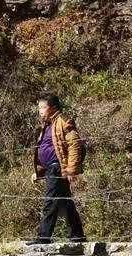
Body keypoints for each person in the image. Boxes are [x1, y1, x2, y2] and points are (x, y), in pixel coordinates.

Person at [29, 92, 86, 244]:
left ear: (53, 108)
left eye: (43, 107)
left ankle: (43, 237)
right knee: (65, 202)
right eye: (39, 107)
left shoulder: (63, 121)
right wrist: (39, 172)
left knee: (50, 201)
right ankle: (77, 236)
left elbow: (74, 144)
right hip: (51, 169)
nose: (40, 110)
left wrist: (71, 170)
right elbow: (47, 148)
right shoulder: (47, 125)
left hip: (58, 169)